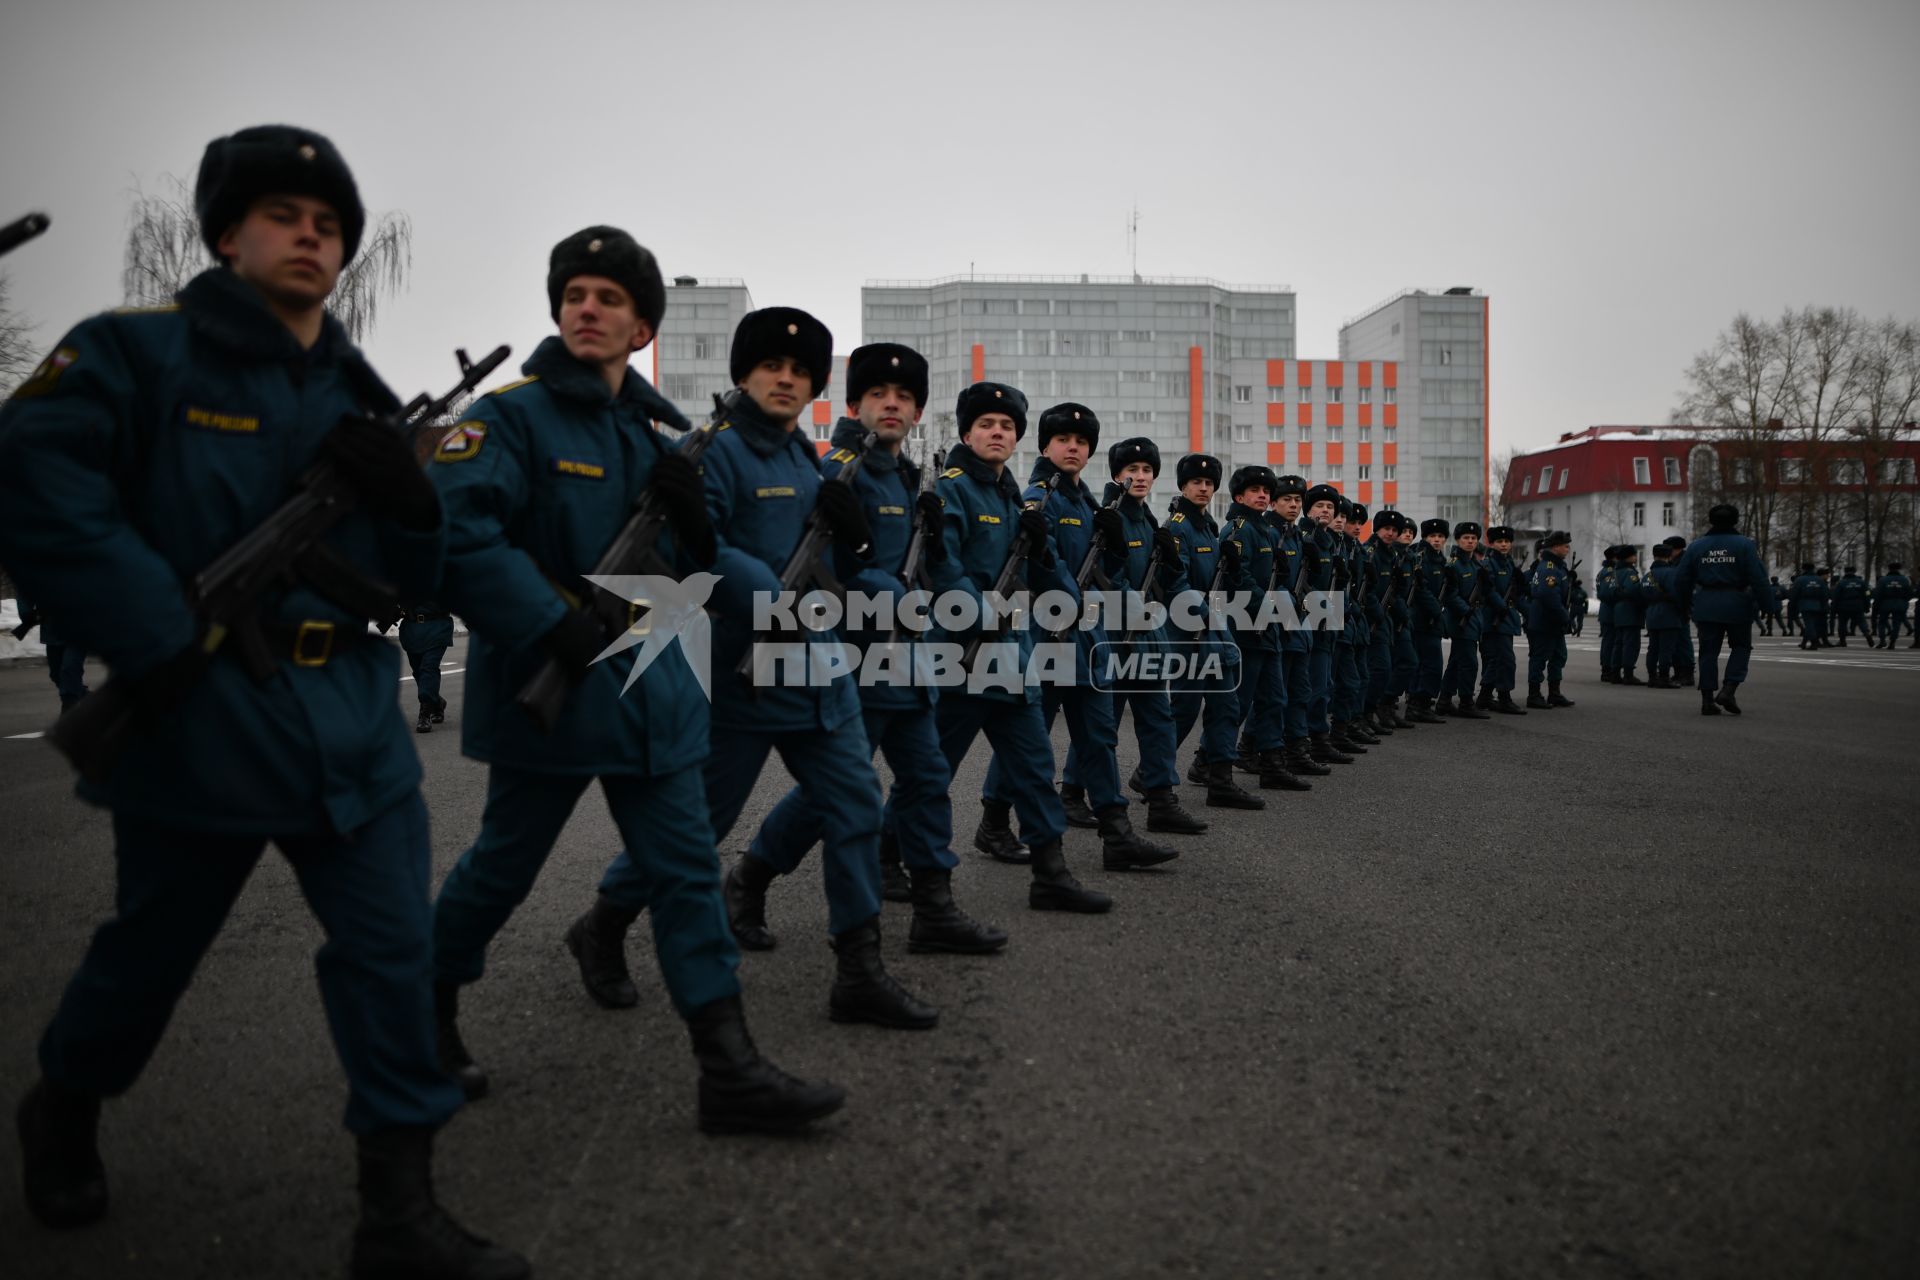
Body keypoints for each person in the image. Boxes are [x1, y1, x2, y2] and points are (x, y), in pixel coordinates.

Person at [0, 125, 526, 1277]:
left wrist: (416, 508)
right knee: (150, 954)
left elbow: (410, 578)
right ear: (227, 232)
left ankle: (399, 1209)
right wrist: (158, 632)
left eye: (329, 224)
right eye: (283, 215)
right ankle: (65, 1101)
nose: (310, 237)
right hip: (199, 720)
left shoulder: (353, 385)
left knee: (392, 956)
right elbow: (36, 484)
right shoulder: (133, 354)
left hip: (347, 717)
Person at [428, 234, 847, 1130]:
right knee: (502, 869)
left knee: (691, 872)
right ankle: (428, 1008)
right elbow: (457, 538)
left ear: (641, 324)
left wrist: (698, 535)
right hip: (547, 686)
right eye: (575, 293)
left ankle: (728, 1067)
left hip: (650, 684)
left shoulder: (659, 438)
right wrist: (549, 620)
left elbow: (687, 568)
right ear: (557, 310)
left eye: (611, 298)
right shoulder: (508, 419)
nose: (590, 308)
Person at [730, 344, 1009, 952]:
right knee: (834, 792)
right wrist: (876, 579)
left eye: (905, 396)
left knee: (927, 778)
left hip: (906, 657)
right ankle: (749, 878)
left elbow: (913, 570)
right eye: (879, 394)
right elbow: (817, 573)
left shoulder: (903, 473)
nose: (893, 404)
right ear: (853, 404)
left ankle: (934, 910)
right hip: (855, 658)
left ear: (916, 411)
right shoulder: (839, 470)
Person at [933, 382, 1112, 913]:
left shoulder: (1011, 494)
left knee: (1035, 767)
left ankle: (1051, 874)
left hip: (1012, 653)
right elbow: (944, 568)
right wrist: (981, 617)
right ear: (967, 432)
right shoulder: (952, 489)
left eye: (1007, 426)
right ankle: (888, 850)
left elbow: (1041, 568)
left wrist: (1067, 594)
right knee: (932, 769)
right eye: (987, 424)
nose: (997, 432)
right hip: (961, 656)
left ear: (1016, 439)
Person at [981, 403, 1179, 869]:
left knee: (1098, 736)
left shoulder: (1088, 503)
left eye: (1082, 441)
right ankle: (992, 822)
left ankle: (1117, 835)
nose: (1074, 447)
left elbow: (1104, 577)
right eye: (1064, 439)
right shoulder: (1037, 497)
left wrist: (1110, 548)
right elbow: (1028, 572)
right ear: (1046, 446)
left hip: (1088, 637)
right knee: (1027, 737)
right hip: (1046, 635)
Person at [1103, 438, 1213, 831]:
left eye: (1147, 470)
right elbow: (1102, 579)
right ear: (1117, 475)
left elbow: (1172, 581)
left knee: (1159, 720)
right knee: (1102, 724)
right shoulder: (1109, 517)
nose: (1140, 476)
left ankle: (1161, 800)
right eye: (1131, 470)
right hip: (1114, 637)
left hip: (1145, 636)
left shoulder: (1149, 521)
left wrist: (1200, 608)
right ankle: (1072, 794)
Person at [1169, 454, 1266, 804]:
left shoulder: (1209, 526)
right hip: (1191, 632)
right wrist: (1204, 610)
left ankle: (1221, 782)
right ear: (1183, 486)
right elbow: (1174, 581)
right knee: (1183, 710)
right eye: (1196, 482)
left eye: (1209, 483)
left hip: (1216, 629)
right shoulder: (1176, 527)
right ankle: (1152, 774)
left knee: (1227, 704)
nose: (1203, 488)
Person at [1224, 466, 1309, 791]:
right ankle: (1208, 759)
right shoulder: (1238, 528)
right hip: (1247, 629)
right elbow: (1238, 579)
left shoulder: (1267, 531)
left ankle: (1272, 764)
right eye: (1254, 490)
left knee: (1275, 698)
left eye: (1265, 491)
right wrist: (1270, 606)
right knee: (1239, 703)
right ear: (1239, 496)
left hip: (1268, 628)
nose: (1262, 495)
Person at [1673, 504, 1773, 715]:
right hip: (1737, 602)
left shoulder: (1696, 546)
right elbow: (1758, 577)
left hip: (1706, 602)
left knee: (1708, 652)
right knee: (1741, 647)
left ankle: (1707, 700)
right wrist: (1768, 604)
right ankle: (1729, 689)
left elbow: (1682, 579)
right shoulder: (1745, 544)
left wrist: (1683, 606)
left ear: (1711, 520)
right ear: (1735, 521)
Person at [1474, 525, 1528, 714]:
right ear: (1492, 543)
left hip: (1505, 617)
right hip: (1493, 618)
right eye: (1499, 541)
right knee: (1504, 659)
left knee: (1496, 660)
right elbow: (1488, 590)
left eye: (1507, 541)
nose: (1504, 545)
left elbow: (1516, 593)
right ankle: (1504, 697)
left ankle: (1485, 696)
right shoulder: (1489, 564)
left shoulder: (1509, 564)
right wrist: (1501, 606)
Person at [1438, 521, 1489, 718]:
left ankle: (1445, 698)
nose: (1470, 541)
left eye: (1473, 538)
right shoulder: (1453, 565)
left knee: (1457, 661)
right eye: (1465, 538)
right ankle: (1466, 701)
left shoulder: (1474, 564)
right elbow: (1450, 594)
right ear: (1458, 540)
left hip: (1472, 619)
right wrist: (1465, 610)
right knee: (1468, 662)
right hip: (1461, 620)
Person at [1405, 517, 1453, 722]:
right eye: (1433, 536)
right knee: (1430, 663)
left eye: (1441, 536)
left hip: (1431, 618)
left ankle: (1420, 702)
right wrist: (1437, 613)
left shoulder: (1440, 559)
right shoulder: (1421, 557)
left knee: (1425, 663)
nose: (1437, 540)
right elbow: (1421, 590)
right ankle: (1419, 702)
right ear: (1425, 537)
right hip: (1422, 618)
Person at [1525, 531, 1578, 709]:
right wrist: (1565, 617)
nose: (1568, 549)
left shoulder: (1557, 566)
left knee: (1559, 656)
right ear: (1555, 547)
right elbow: (1548, 595)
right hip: (1545, 621)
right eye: (1565, 546)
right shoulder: (1549, 566)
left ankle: (1554, 693)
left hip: (1553, 622)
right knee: (1540, 658)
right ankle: (1534, 694)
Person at [396, 600, 453, 732]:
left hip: (438, 628)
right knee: (419, 672)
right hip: (411, 629)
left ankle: (425, 714)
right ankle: (437, 703)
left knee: (429, 667)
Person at [1642, 542, 1685, 687]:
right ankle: (1664, 678)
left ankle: (1652, 677)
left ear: (1654, 556)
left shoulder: (1647, 576)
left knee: (1653, 648)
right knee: (1666, 648)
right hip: (1669, 614)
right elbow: (1678, 594)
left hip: (1652, 614)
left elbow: (1641, 596)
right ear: (1668, 557)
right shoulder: (1672, 573)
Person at [1603, 546, 1647, 684]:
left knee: (1619, 642)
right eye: (1633, 555)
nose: (1635, 557)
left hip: (1618, 610)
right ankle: (1628, 674)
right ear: (1628, 557)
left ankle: (1615, 672)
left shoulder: (1614, 572)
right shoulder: (1630, 572)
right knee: (1631, 643)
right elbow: (1633, 590)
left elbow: (1607, 592)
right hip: (1630, 610)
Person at [1872, 564, 1912, 648]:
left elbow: (1878, 594)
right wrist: (1904, 601)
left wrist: (1876, 605)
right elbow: (1909, 593)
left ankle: (1882, 640)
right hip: (1900, 603)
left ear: (1889, 569)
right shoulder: (1904, 580)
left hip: (1885, 603)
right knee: (1896, 623)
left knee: (1882, 622)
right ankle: (1892, 642)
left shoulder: (1883, 580)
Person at [1791, 563, 1828, 650]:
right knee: (1812, 624)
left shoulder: (1800, 580)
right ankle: (1804, 642)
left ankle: (1814, 642)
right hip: (1817, 604)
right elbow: (1825, 594)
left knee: (1809, 624)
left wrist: (1793, 606)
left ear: (1803, 569)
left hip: (1805, 604)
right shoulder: (1819, 580)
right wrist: (1824, 605)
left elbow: (1795, 594)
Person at [1832, 566, 1869, 645]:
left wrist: (1834, 608)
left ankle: (1842, 640)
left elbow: (1836, 596)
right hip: (1858, 605)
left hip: (1844, 606)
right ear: (1854, 572)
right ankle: (1867, 634)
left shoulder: (1841, 583)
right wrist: (1867, 606)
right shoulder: (1861, 582)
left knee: (1842, 623)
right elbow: (1867, 594)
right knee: (1861, 621)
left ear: (1845, 572)